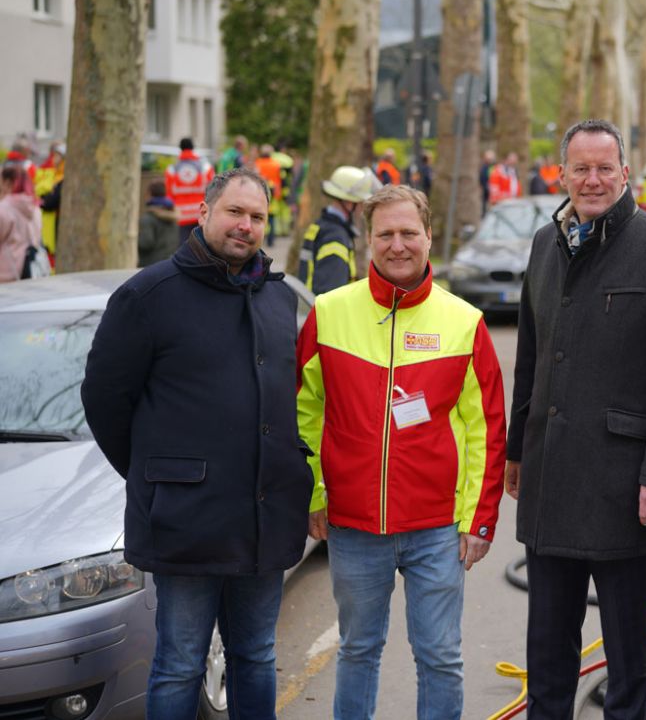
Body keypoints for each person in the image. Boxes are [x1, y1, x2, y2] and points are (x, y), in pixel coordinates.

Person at [81, 168, 313, 720]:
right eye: (235, 212)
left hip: (263, 516)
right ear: (204, 212)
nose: (246, 226)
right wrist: (157, 475)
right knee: (181, 662)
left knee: (256, 656)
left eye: (257, 217)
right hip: (185, 520)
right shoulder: (147, 295)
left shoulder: (279, 301)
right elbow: (105, 401)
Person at [506, 119, 646, 717]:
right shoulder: (546, 242)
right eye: (580, 169)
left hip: (626, 485)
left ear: (624, 172)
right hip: (551, 477)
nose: (592, 180)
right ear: (561, 173)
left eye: (604, 168)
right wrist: (517, 451)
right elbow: (532, 356)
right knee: (547, 644)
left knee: (626, 649)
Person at [296, 184, 507, 719]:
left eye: (408, 233)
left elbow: (486, 429)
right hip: (353, 526)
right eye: (385, 233)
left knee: (439, 656)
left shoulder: (464, 322)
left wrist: (478, 520)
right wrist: (313, 494)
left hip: (437, 528)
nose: (397, 245)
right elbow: (303, 413)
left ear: (429, 237)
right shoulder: (328, 312)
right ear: (367, 239)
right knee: (358, 651)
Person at [297, 165, 381, 295]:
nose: (361, 208)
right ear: (348, 202)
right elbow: (332, 292)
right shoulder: (335, 237)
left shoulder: (321, 225)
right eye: (360, 202)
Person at [165, 137, 215, 244]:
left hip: (181, 216)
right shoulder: (204, 167)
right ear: (193, 148)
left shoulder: (172, 169)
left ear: (180, 148)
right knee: (203, 247)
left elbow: (168, 194)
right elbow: (213, 189)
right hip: (201, 214)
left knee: (184, 248)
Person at [0, 163, 43, 283]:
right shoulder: (34, 207)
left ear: (7, 182)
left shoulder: (4, 208)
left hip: (4, 273)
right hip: (28, 269)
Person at [138, 178, 179, 266]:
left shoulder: (148, 218)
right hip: (169, 263)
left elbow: (146, 243)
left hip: (150, 264)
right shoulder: (173, 216)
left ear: (149, 194)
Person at [479, 149, 496, 213]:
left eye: (491, 159)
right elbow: (482, 179)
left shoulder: (495, 167)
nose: (490, 160)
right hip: (486, 191)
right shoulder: (483, 168)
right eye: (488, 159)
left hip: (494, 192)